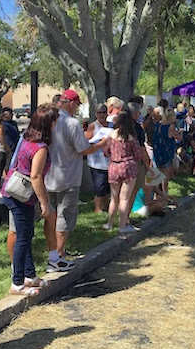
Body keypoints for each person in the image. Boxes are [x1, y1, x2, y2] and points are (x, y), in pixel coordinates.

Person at [44, 89, 107, 272]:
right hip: (68, 176)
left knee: (50, 217)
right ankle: (59, 255)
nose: (76, 109)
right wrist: (102, 143)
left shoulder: (49, 120)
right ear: (70, 103)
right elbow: (84, 149)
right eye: (76, 105)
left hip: (48, 175)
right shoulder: (71, 123)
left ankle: (52, 254)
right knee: (65, 217)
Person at [2, 105, 57, 296]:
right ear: (49, 124)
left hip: (13, 192)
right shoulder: (41, 148)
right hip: (21, 197)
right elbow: (35, 177)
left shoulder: (26, 138)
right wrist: (44, 202)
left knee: (27, 234)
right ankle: (17, 283)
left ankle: (30, 276)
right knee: (23, 239)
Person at [102, 110, 143, 233]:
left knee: (114, 198)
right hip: (128, 167)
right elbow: (138, 155)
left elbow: (106, 152)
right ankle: (122, 225)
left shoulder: (111, 135)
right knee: (124, 198)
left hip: (114, 166)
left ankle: (109, 223)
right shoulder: (131, 137)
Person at [84, 104, 111, 213]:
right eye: (100, 112)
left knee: (108, 186)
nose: (102, 115)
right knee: (99, 187)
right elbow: (86, 141)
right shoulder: (93, 126)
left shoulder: (111, 125)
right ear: (96, 114)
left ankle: (105, 206)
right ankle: (97, 208)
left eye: (104, 112)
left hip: (110, 161)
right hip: (96, 162)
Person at [153, 107, 183, 192]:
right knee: (165, 178)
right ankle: (164, 196)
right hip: (166, 153)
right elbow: (179, 138)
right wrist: (181, 131)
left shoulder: (157, 125)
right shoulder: (170, 127)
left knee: (157, 176)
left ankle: (157, 195)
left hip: (157, 152)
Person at [1, 107, 20, 171]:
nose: (9, 115)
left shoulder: (13, 123)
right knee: (7, 165)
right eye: (6, 114)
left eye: (10, 114)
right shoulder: (3, 124)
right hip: (8, 147)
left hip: (16, 146)